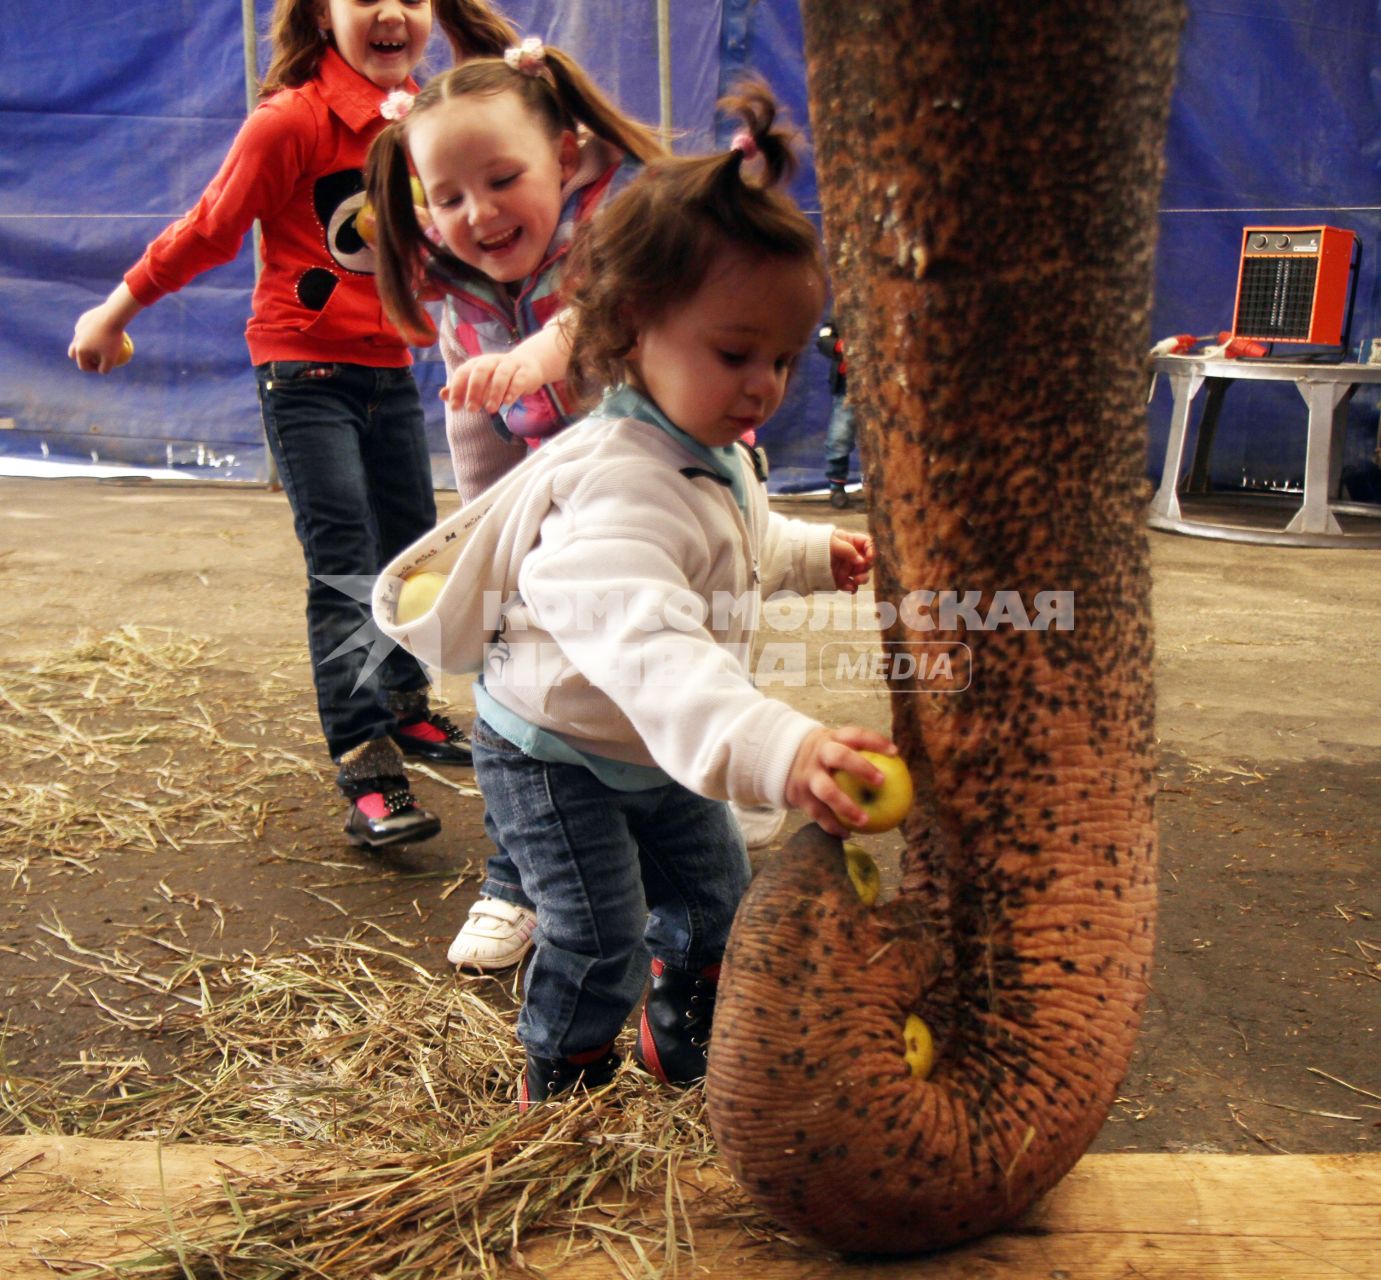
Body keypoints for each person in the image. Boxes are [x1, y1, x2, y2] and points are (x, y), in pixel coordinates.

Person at [371, 85, 902, 1108]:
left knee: (715, 900)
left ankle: (680, 1035)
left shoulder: (702, 445)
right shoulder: (615, 477)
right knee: (597, 931)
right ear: (631, 327)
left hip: (648, 740)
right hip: (556, 749)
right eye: (736, 352)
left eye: (783, 358)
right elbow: (653, 643)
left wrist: (802, 553)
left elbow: (725, 537)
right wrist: (779, 747)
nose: (763, 383)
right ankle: (561, 1076)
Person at [68, 0, 518, 851]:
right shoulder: (292, 121)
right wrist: (114, 308)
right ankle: (366, 764)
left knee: (408, 548)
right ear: (320, 11)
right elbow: (209, 228)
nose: (392, 11)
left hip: (390, 367)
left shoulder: (424, 113)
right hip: (304, 372)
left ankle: (405, 706)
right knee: (344, 560)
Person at [365, 37, 664, 971]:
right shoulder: (447, 282)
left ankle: (683, 845)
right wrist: (485, 549)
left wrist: (541, 355)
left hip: (656, 500)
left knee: (658, 675)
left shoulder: (627, 229)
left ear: (565, 157)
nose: (477, 213)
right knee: (513, 695)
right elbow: (477, 430)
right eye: (448, 197)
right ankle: (515, 880)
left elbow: (620, 310)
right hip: (544, 511)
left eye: (501, 179)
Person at [817, 318, 857, 508]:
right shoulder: (840, 313)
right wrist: (841, 347)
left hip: (881, 388)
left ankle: (879, 490)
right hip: (847, 388)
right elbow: (823, 340)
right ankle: (837, 487)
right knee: (839, 438)